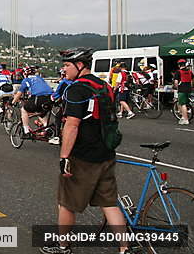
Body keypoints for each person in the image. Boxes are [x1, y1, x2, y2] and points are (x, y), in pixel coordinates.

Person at [41, 48, 130, 254]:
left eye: (67, 65)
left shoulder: (76, 89)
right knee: (109, 204)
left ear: (80, 65)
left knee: (67, 203)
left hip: (82, 156)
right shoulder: (104, 85)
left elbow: (72, 125)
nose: (63, 69)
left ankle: (63, 246)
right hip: (106, 153)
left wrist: (64, 157)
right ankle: (125, 248)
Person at [11, 66, 54, 137]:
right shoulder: (40, 78)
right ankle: (47, 128)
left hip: (38, 97)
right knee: (41, 113)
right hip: (50, 98)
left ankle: (26, 131)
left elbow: (19, 93)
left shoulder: (26, 80)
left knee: (24, 110)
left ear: (24, 74)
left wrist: (12, 102)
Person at [49, 70, 73, 145]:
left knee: (58, 117)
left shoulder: (63, 82)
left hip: (67, 104)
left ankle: (56, 137)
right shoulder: (75, 82)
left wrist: (52, 99)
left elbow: (57, 94)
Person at [174, 59, 193, 125]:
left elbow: (176, 82)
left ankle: (186, 119)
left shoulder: (178, 72)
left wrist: (176, 87)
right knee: (187, 103)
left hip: (182, 90)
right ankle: (183, 116)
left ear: (179, 65)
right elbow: (192, 80)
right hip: (189, 89)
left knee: (183, 104)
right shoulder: (190, 72)